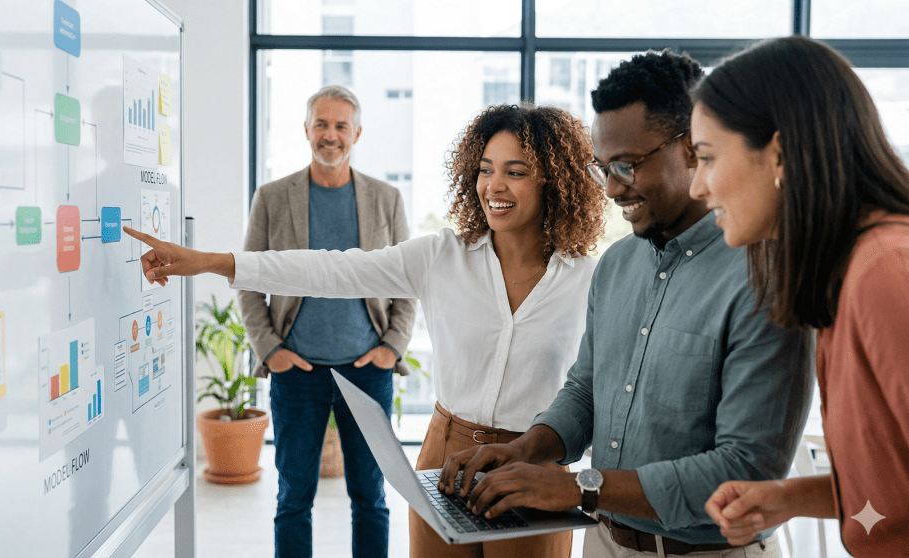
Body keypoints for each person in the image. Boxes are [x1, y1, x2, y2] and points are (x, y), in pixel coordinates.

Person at [124, 103, 608, 558]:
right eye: (485, 169)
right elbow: (330, 271)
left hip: (534, 461)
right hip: (448, 455)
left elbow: (596, 391)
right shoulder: (442, 256)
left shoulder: (590, 279)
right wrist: (209, 261)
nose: (493, 186)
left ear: (555, 181)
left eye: (515, 171)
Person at [436, 50, 815, 558]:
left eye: (627, 165)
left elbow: (745, 470)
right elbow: (586, 390)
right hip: (606, 542)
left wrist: (580, 489)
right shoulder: (617, 264)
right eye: (602, 168)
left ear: (691, 148)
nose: (612, 188)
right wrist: (525, 448)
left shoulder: (764, 279)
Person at [690, 36, 909, 558]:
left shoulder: (886, 271)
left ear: (781, 154)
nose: (698, 186)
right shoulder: (852, 270)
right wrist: (791, 498)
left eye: (706, 157)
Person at [238, 84, 415, 558]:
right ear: (306, 130)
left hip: (367, 371)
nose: (330, 135)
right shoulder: (273, 197)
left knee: (371, 499)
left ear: (357, 132)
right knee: (293, 499)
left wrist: (391, 347)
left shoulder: (386, 198)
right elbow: (248, 279)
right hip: (297, 373)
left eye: (340, 126)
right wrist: (270, 350)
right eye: (322, 124)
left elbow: (407, 281)